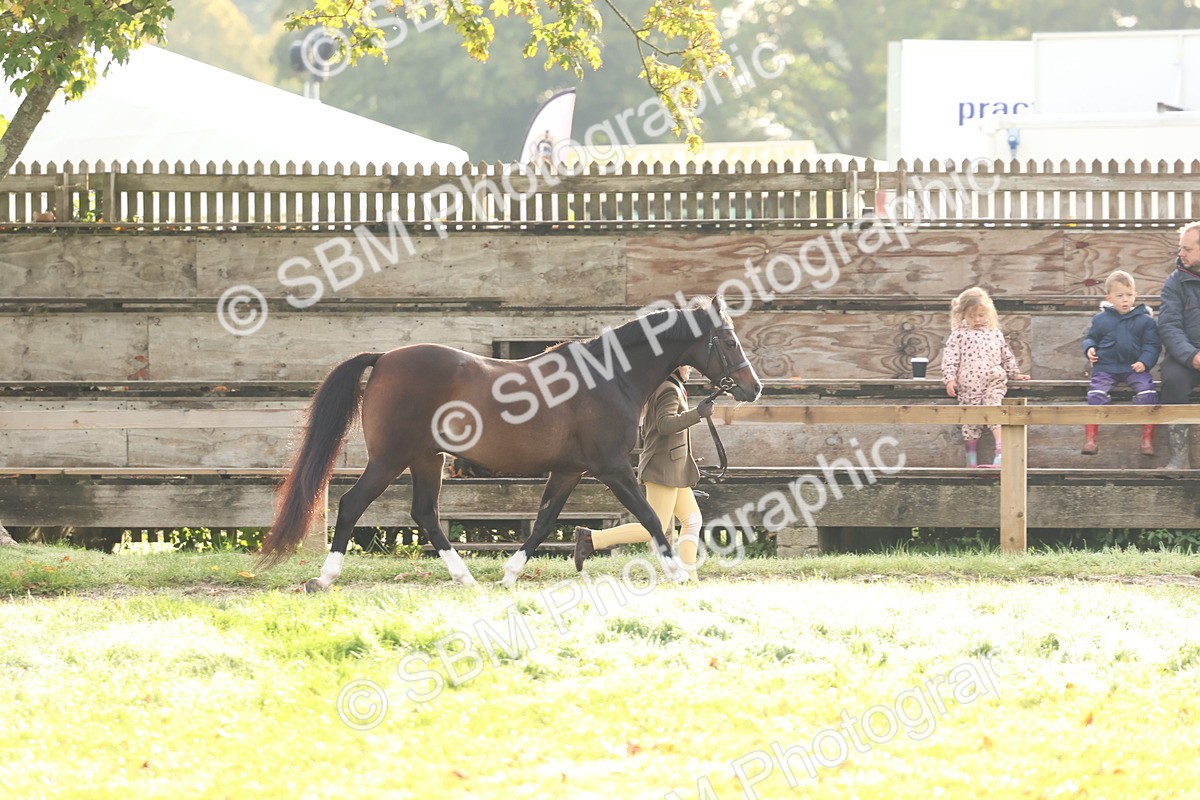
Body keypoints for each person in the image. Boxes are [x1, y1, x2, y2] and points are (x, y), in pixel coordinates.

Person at [573, 365, 715, 580]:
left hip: (674, 467)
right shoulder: (667, 388)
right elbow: (664, 425)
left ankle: (690, 578)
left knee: (693, 520)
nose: (691, 370)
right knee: (652, 528)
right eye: (686, 365)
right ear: (675, 367)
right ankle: (591, 539)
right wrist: (697, 414)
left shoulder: (672, 386)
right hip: (663, 468)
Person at [941, 287, 1031, 467]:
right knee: (971, 421)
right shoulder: (959, 334)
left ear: (989, 313)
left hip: (993, 380)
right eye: (972, 316)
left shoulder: (994, 333)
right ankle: (971, 463)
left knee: (994, 409)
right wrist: (949, 378)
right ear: (963, 315)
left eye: (981, 315)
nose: (977, 320)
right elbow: (950, 358)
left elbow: (1006, 354)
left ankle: (1000, 452)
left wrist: (1015, 373)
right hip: (969, 384)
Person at [1079, 270, 1160, 456]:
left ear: (1136, 295)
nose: (1125, 300)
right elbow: (1090, 338)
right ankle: (1091, 440)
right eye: (1120, 296)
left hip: (1134, 368)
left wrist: (1144, 362)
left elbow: (1152, 345)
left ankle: (1147, 441)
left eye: (1129, 295)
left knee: (1148, 393)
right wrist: (1089, 348)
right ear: (1109, 298)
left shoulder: (1145, 321)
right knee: (1095, 394)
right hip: (1106, 368)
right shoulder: (1101, 320)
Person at [1160, 221, 1200, 468]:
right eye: (1180, 248)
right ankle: (1179, 457)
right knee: (1172, 380)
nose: (1180, 254)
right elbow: (1168, 326)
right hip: (1185, 356)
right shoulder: (1174, 283)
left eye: (1187, 249)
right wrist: (1192, 356)